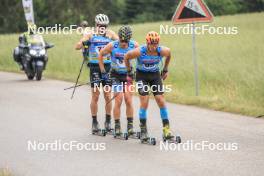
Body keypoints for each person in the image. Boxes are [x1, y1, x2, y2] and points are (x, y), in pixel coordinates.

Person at [124, 31, 174, 140]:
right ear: (147, 43)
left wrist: (165, 69)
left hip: (155, 76)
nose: (154, 46)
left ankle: (166, 130)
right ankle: (143, 131)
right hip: (142, 76)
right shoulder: (139, 51)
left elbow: (169, 54)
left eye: (156, 43)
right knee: (145, 101)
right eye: (152, 43)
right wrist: (129, 71)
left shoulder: (162, 51)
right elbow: (126, 57)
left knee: (161, 100)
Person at [75, 14, 118, 133]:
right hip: (94, 67)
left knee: (108, 95)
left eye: (104, 25)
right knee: (95, 95)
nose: (102, 27)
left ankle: (108, 122)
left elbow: (121, 42)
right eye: (100, 25)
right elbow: (77, 46)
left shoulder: (110, 34)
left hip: (108, 66)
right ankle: (94, 122)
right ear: (96, 25)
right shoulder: (90, 34)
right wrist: (85, 43)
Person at [98, 25, 139, 136]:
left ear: (129, 39)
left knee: (129, 100)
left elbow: (140, 58)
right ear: (119, 38)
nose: (124, 43)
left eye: (126, 41)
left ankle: (130, 128)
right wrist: (103, 71)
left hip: (128, 76)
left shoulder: (134, 45)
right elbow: (101, 54)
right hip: (116, 76)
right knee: (119, 100)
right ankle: (117, 127)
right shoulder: (112, 45)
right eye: (122, 40)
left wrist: (138, 71)